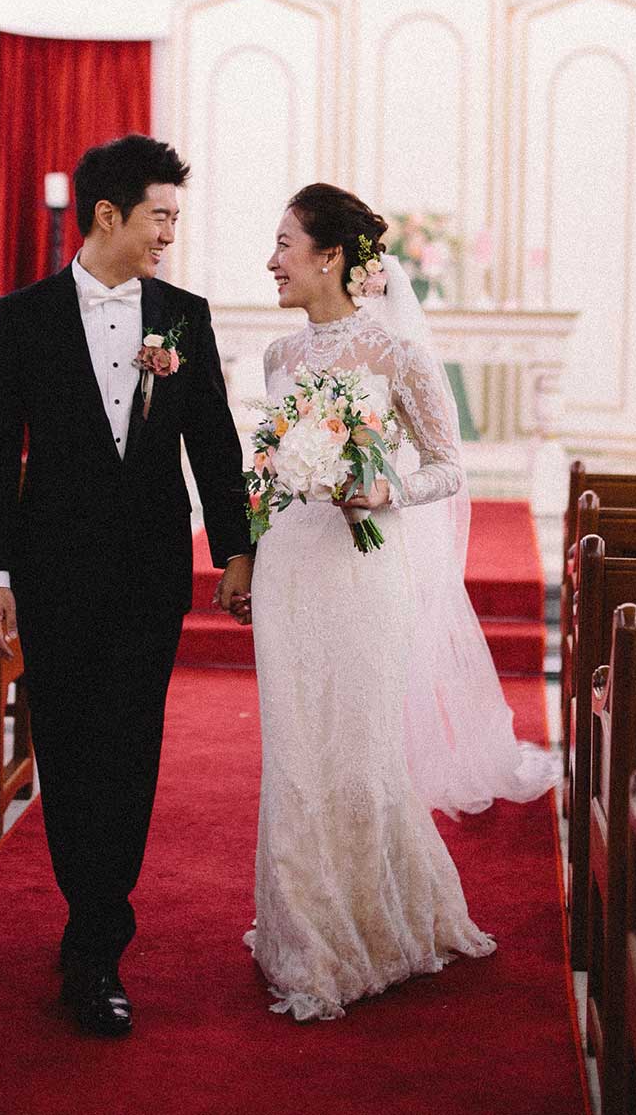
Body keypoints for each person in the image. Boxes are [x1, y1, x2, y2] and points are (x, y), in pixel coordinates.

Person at [230, 183, 557, 1021]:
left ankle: (377, 923)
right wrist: (255, 540)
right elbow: (268, 474)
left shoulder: (397, 356)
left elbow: (450, 468)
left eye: (284, 244)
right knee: (294, 752)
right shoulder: (277, 357)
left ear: (330, 256)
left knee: (360, 747)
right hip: (289, 568)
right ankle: (301, 933)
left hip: (362, 571)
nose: (271, 261)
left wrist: (385, 491)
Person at [0, 135, 254, 1037]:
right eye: (159, 216)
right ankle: (88, 911)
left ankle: (98, 941)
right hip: (51, 574)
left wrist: (237, 552)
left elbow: (214, 441)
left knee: (130, 750)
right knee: (67, 749)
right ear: (107, 215)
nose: (170, 233)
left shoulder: (184, 316)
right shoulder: (20, 318)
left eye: (174, 217)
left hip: (148, 574)